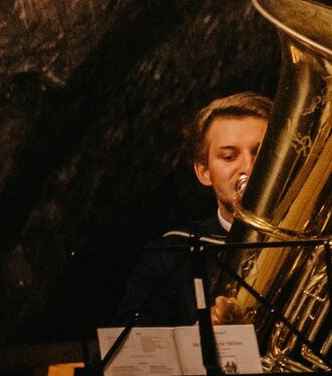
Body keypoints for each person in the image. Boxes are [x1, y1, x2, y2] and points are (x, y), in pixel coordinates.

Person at [116, 92, 271, 326]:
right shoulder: (170, 255)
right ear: (204, 172)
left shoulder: (321, 247)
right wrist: (200, 337)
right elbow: (130, 353)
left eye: (261, 153)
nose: (248, 168)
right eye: (229, 156)